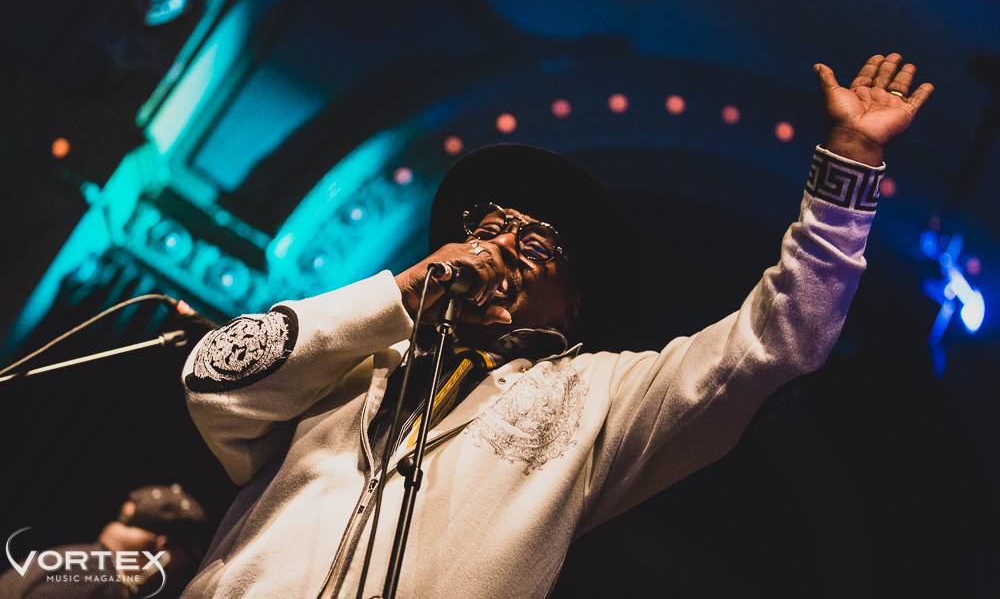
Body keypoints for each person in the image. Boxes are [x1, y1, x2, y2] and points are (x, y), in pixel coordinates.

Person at [179, 53, 932, 598]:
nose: (497, 247)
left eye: (534, 245)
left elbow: (773, 347)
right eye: (488, 226)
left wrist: (850, 171)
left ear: (575, 303)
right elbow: (215, 379)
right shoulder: (356, 351)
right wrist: (403, 294)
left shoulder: (596, 394)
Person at [0, 484, 210, 599]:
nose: (184, 578)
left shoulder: (77, 561)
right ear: (164, 550)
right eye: (187, 561)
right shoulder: (99, 583)